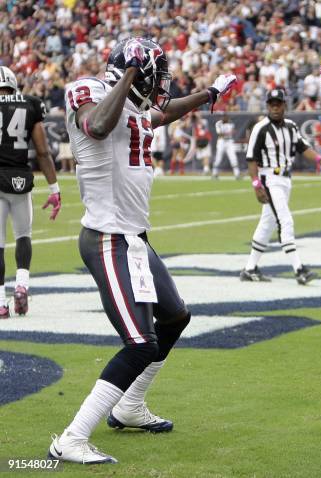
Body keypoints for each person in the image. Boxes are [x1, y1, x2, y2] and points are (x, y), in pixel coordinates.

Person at [49, 37, 236, 464]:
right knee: (139, 344)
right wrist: (132, 73)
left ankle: (130, 407)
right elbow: (95, 125)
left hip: (134, 237)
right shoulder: (90, 90)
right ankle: (72, 438)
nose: (161, 85)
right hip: (106, 237)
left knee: (176, 316)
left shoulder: (131, 105)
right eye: (156, 75)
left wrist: (209, 94)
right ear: (135, 74)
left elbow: (161, 113)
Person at [240, 88, 321, 285]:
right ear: (267, 106)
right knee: (285, 221)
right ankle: (299, 269)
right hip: (269, 179)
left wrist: (319, 159)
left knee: (267, 224)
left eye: (278, 103)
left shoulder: (290, 126)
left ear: (284, 105)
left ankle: (249, 269)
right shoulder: (260, 128)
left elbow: (302, 147)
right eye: (271, 104)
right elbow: (251, 158)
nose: (274, 107)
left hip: (285, 180)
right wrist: (256, 184)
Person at [0, 66, 61, 319]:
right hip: (20, 180)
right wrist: (54, 188)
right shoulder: (30, 104)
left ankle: (1, 303)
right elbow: (43, 151)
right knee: (24, 235)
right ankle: (22, 285)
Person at [212, 113, 240, 179]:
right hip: (221, 142)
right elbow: (220, 134)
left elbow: (232, 132)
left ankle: (237, 174)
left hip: (229, 141)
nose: (225, 118)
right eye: (224, 117)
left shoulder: (231, 123)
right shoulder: (218, 123)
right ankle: (214, 174)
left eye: (226, 117)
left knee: (233, 157)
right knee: (218, 158)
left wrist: (229, 133)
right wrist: (228, 133)